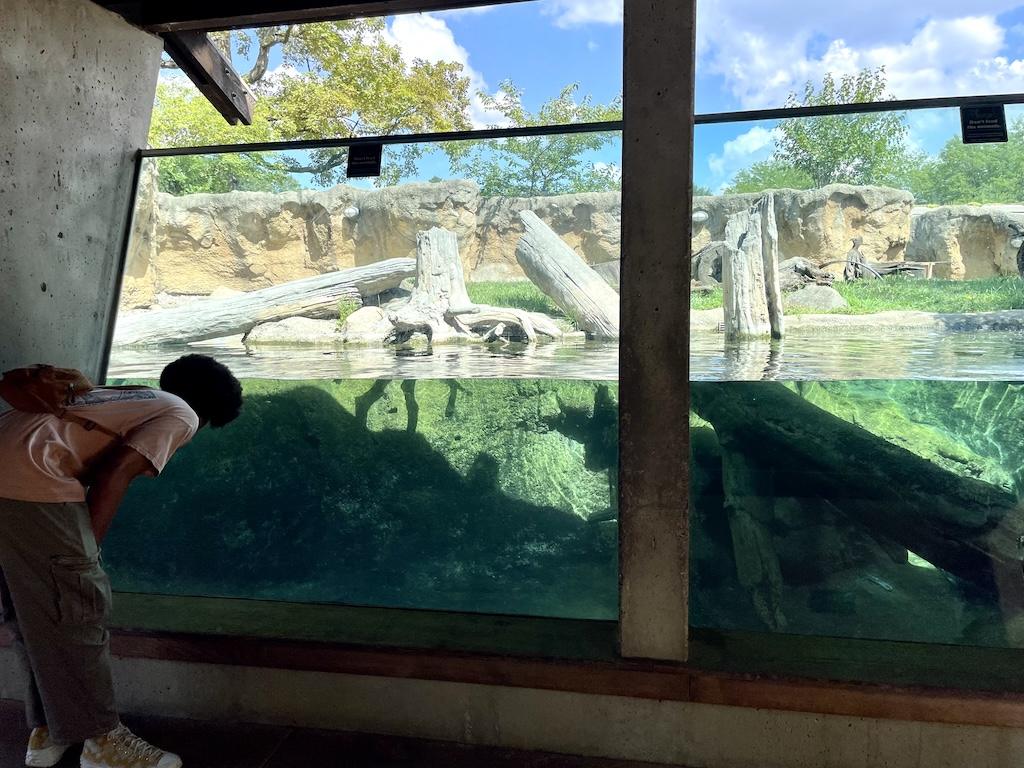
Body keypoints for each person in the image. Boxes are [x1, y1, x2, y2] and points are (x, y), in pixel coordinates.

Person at [0, 354, 242, 768]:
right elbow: (116, 474)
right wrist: (86, 555)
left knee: (31, 614)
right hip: (31, 482)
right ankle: (102, 743)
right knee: (78, 608)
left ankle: (49, 729)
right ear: (210, 415)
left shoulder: (121, 394)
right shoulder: (182, 414)